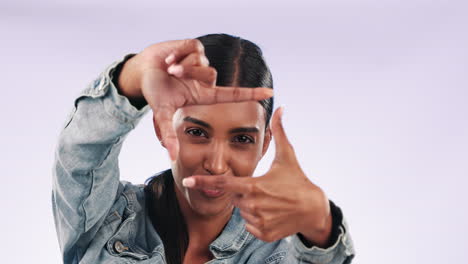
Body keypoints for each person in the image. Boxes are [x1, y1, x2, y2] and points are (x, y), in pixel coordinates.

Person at [52, 33, 355, 264]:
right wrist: (134, 75)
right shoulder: (107, 220)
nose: (217, 164)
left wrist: (321, 227)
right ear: (163, 128)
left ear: (264, 145)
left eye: (241, 139)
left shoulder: (275, 254)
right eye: (197, 132)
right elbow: (81, 150)